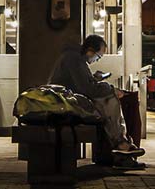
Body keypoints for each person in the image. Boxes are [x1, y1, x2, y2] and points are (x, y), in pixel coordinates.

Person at [47, 35, 145, 167]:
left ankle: (120, 142)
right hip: (64, 101)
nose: (96, 60)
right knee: (109, 100)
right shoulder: (74, 59)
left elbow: (81, 85)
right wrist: (111, 89)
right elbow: (88, 90)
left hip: (65, 98)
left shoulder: (74, 57)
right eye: (98, 57)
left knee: (105, 101)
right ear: (90, 51)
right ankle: (119, 142)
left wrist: (95, 79)